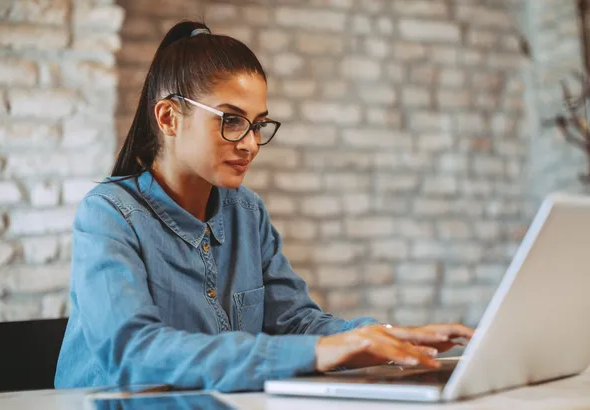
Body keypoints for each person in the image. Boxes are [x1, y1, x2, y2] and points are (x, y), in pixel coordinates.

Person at [54, 20, 474, 392]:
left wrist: (385, 336)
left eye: (257, 124)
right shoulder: (108, 214)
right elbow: (133, 351)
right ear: (168, 118)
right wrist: (319, 352)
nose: (251, 143)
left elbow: (296, 323)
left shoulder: (245, 213)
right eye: (231, 120)